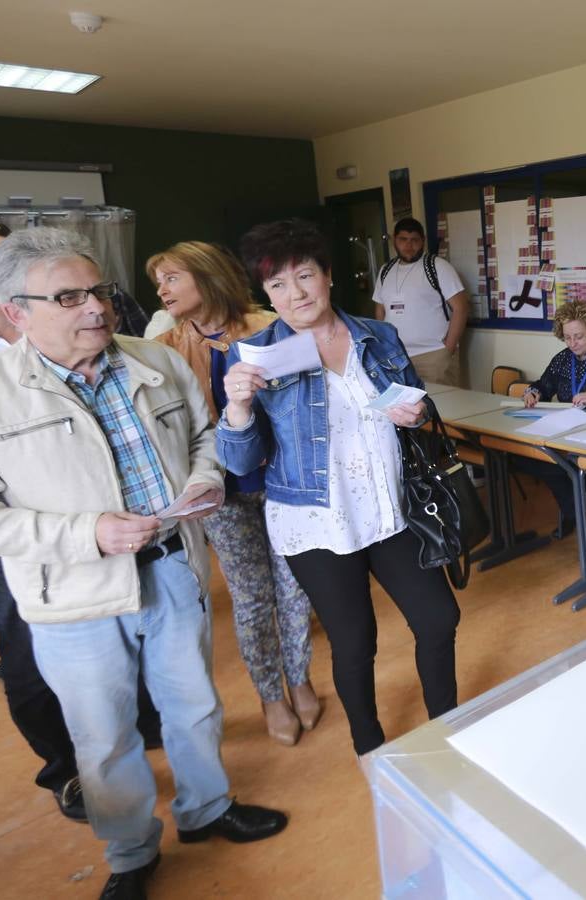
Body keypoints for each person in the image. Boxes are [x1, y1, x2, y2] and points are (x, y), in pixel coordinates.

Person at [0, 227, 287, 900]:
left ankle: (207, 807)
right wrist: (86, 533)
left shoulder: (159, 360)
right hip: (74, 594)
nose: (96, 308)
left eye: (99, 291)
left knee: (195, 707)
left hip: (175, 568)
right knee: (105, 735)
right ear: (16, 311)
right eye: (68, 297)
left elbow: (204, 437)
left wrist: (206, 480)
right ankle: (129, 853)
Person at [0, 222, 162, 824]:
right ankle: (64, 767)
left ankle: (141, 726)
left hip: (102, 518)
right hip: (2, 541)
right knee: (28, 654)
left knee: (133, 621)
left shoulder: (77, 325)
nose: (2, 276)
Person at [218, 218, 462, 758]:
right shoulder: (253, 356)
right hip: (317, 521)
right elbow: (241, 461)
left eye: (304, 276)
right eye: (277, 285)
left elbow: (417, 407)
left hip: (391, 507)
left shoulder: (379, 335)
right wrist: (236, 408)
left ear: (327, 276)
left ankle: (448, 727)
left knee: (438, 617)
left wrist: (415, 413)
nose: (295, 293)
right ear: (265, 294)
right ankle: (369, 745)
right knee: (355, 642)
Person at [149, 240, 321, 746]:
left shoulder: (270, 325)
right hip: (220, 493)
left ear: (207, 276)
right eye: (159, 281)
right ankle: (270, 695)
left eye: (172, 278)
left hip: (283, 481)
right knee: (250, 598)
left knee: (294, 588)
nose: (161, 290)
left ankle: (301, 679)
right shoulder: (164, 347)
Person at [518, 300, 586, 535]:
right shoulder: (563, 359)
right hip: (569, 430)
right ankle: (574, 509)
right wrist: (533, 392)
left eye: (578, 336)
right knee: (537, 459)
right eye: (567, 337)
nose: (572, 343)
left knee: (575, 463)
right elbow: (542, 385)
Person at [373, 217, 470, 388]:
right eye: (403, 239)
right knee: (407, 412)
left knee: (443, 409)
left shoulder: (437, 266)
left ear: (423, 241)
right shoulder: (385, 270)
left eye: (414, 240)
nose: (409, 246)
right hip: (397, 357)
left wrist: (449, 348)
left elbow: (461, 308)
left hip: (433, 356)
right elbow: (380, 308)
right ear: (395, 240)